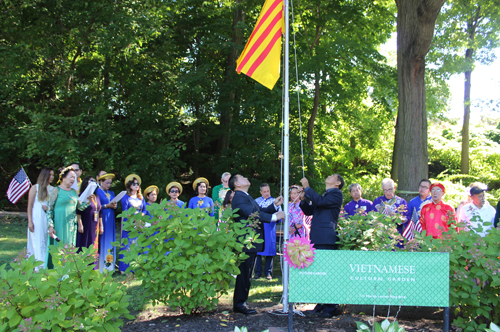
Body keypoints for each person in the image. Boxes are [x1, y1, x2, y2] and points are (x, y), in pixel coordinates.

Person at [229, 174, 285, 315]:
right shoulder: (239, 196)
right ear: (237, 184)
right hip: (246, 241)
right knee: (244, 274)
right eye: (242, 177)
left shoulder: (246, 196)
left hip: (250, 241)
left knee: (247, 273)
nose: (245, 177)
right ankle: (239, 304)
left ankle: (241, 303)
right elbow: (252, 214)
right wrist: (274, 217)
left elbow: (259, 211)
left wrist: (274, 205)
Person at [299, 174, 344, 318]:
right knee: (320, 273)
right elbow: (309, 211)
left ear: (337, 182)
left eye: (332, 176)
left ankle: (331, 307)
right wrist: (303, 200)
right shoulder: (325, 195)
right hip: (318, 237)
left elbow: (319, 201)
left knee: (328, 273)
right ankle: (321, 303)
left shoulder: (336, 194)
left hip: (327, 238)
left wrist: (307, 187)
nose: (328, 176)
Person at [47, 167, 89, 268]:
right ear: (63, 177)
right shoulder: (56, 190)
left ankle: (68, 272)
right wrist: (50, 225)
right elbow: (49, 209)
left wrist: (88, 201)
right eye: (71, 177)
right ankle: (58, 271)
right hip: (59, 224)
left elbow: (80, 207)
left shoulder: (74, 192)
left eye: (74, 177)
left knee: (70, 247)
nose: (73, 179)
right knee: (60, 247)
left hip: (71, 225)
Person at [27, 167, 54, 271]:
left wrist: (49, 209)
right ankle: (38, 266)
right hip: (36, 218)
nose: (51, 177)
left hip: (47, 219)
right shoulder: (35, 188)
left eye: (53, 175)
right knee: (37, 240)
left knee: (46, 240)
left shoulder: (53, 189)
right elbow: (29, 206)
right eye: (50, 175)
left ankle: (46, 264)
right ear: (44, 176)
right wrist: (30, 221)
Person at [119, 174, 147, 273]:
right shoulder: (125, 197)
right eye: (134, 184)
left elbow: (145, 210)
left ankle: (136, 267)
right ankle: (125, 268)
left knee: (137, 244)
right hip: (129, 223)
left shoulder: (141, 197)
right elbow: (125, 211)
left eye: (138, 184)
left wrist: (140, 217)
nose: (136, 185)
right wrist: (133, 219)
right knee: (127, 244)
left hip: (139, 224)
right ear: (129, 185)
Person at [254, 183, 280, 280]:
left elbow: (279, 214)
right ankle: (257, 272)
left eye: (268, 191)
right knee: (258, 250)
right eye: (264, 191)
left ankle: (268, 272)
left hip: (270, 228)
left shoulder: (275, 201)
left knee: (269, 250)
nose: (266, 193)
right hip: (259, 228)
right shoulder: (256, 201)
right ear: (261, 192)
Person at [76, 177, 102, 264]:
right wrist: (80, 224)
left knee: (94, 243)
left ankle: (93, 266)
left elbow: (99, 211)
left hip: (95, 224)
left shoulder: (96, 197)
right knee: (86, 242)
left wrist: (101, 226)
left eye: (94, 181)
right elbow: (78, 211)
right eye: (90, 181)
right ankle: (84, 265)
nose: (92, 183)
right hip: (85, 223)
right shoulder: (82, 195)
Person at [96, 173, 118, 273]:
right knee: (103, 239)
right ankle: (102, 267)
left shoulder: (111, 192)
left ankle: (109, 267)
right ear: (100, 182)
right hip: (102, 217)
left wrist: (114, 206)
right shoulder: (97, 191)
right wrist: (106, 206)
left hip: (111, 218)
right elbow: (96, 206)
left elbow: (115, 205)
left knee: (110, 240)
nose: (108, 185)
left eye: (110, 183)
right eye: (106, 182)